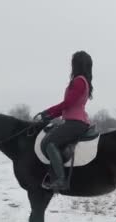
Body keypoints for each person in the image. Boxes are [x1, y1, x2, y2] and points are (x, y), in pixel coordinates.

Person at [36, 51, 93, 191]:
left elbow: (67, 103)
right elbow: (68, 105)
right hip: (73, 121)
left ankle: (60, 180)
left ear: (77, 64)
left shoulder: (79, 81)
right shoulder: (83, 80)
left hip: (76, 123)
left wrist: (48, 113)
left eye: (73, 62)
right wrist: (50, 115)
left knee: (48, 142)